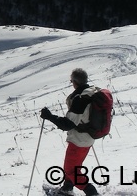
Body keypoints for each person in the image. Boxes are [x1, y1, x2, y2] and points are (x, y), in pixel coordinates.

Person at [40, 68, 100, 196]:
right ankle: (67, 188)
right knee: (74, 165)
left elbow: (67, 124)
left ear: (75, 82)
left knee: (70, 170)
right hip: (89, 137)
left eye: (71, 80)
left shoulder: (80, 99)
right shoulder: (92, 92)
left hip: (79, 140)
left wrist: (50, 116)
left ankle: (91, 192)